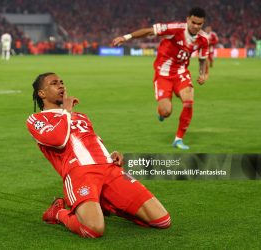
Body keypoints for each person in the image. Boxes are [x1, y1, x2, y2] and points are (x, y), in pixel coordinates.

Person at [26, 72, 171, 238]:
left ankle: (105, 203)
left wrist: (111, 154)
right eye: (54, 83)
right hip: (80, 173)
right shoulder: (37, 119)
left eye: (61, 82)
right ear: (41, 93)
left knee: (162, 221)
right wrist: (66, 111)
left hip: (110, 169)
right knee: (93, 229)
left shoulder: (81, 116)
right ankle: (58, 212)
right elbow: (58, 139)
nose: (61, 85)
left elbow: (92, 141)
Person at [112, 7, 209, 150]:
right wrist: (126, 37)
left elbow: (202, 59)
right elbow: (148, 31)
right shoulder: (174, 29)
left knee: (188, 102)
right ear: (188, 19)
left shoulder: (203, 39)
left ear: (203, 23)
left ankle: (178, 139)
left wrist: (202, 74)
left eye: (199, 24)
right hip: (163, 74)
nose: (196, 26)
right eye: (193, 22)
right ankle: (161, 113)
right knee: (166, 111)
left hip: (181, 73)